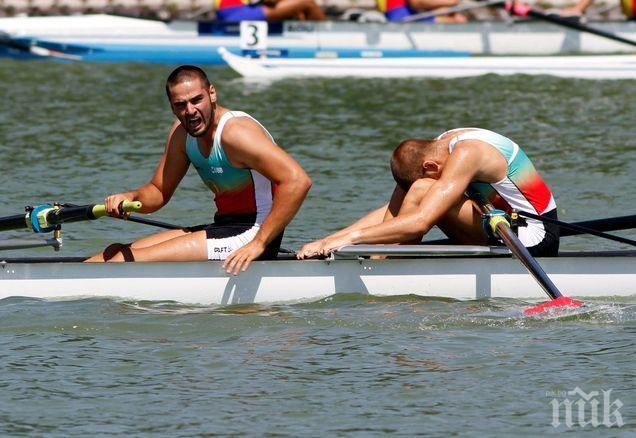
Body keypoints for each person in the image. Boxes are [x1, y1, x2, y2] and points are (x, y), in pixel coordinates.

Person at [86, 65, 312, 274]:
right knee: (115, 252)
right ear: (172, 107)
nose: (190, 111)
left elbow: (297, 181)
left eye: (197, 100)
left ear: (212, 93)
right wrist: (130, 197)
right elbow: (158, 191)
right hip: (224, 227)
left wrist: (259, 243)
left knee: (124, 262)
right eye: (180, 105)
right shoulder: (181, 134)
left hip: (254, 234)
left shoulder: (236, 134)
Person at [298, 128, 559, 259]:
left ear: (429, 167)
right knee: (422, 191)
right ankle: (385, 258)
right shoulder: (441, 144)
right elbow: (393, 213)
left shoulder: (468, 153)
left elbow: (421, 221)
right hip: (496, 221)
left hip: (532, 236)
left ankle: (391, 265)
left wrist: (353, 240)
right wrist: (331, 240)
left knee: (424, 190)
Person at [214, 0, 326, 22]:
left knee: (296, 8)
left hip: (222, 11)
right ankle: (326, 34)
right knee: (307, 2)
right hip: (240, 11)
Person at [376, 0, 467, 23]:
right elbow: (416, 3)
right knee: (459, 21)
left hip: (405, 18)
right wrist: (451, 2)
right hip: (402, 21)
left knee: (456, 18)